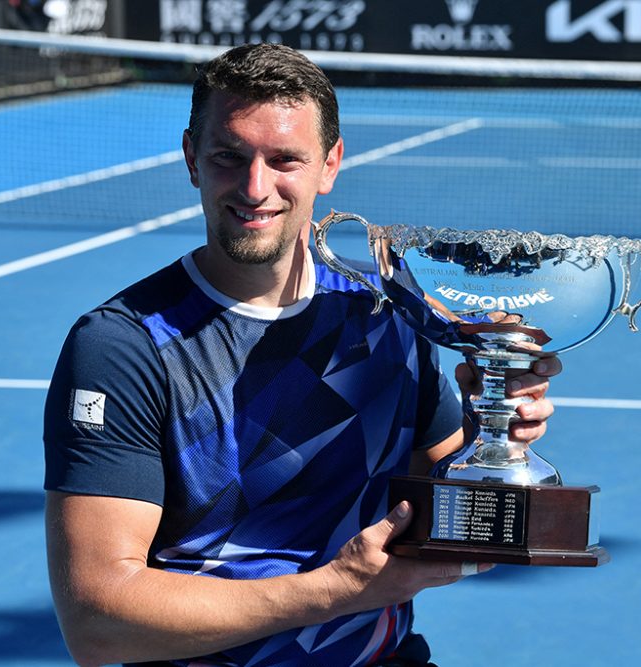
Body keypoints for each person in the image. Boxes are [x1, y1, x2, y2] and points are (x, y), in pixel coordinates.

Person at [43, 42, 560, 667]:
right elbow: (97, 621)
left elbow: (446, 506)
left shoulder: (387, 311)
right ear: (191, 159)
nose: (256, 188)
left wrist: (498, 426)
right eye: (230, 158)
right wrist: (334, 590)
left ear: (330, 164)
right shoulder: (124, 346)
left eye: (284, 159)